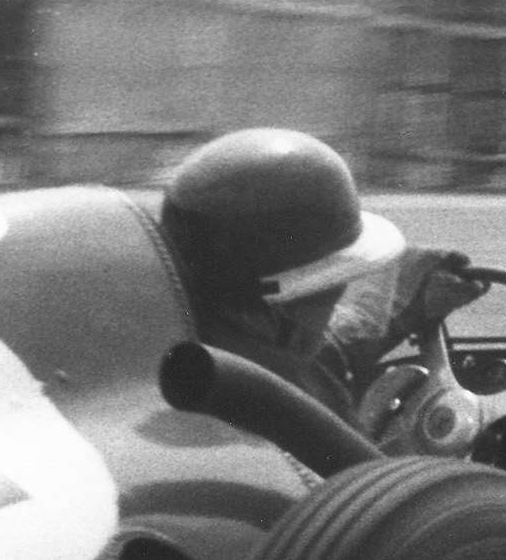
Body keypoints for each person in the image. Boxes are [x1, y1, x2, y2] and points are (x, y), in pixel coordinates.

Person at [159, 128, 482, 421]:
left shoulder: (161, 351)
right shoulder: (298, 399)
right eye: (332, 292)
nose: (333, 310)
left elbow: (322, 345)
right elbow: (380, 484)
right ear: (282, 310)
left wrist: (407, 307)